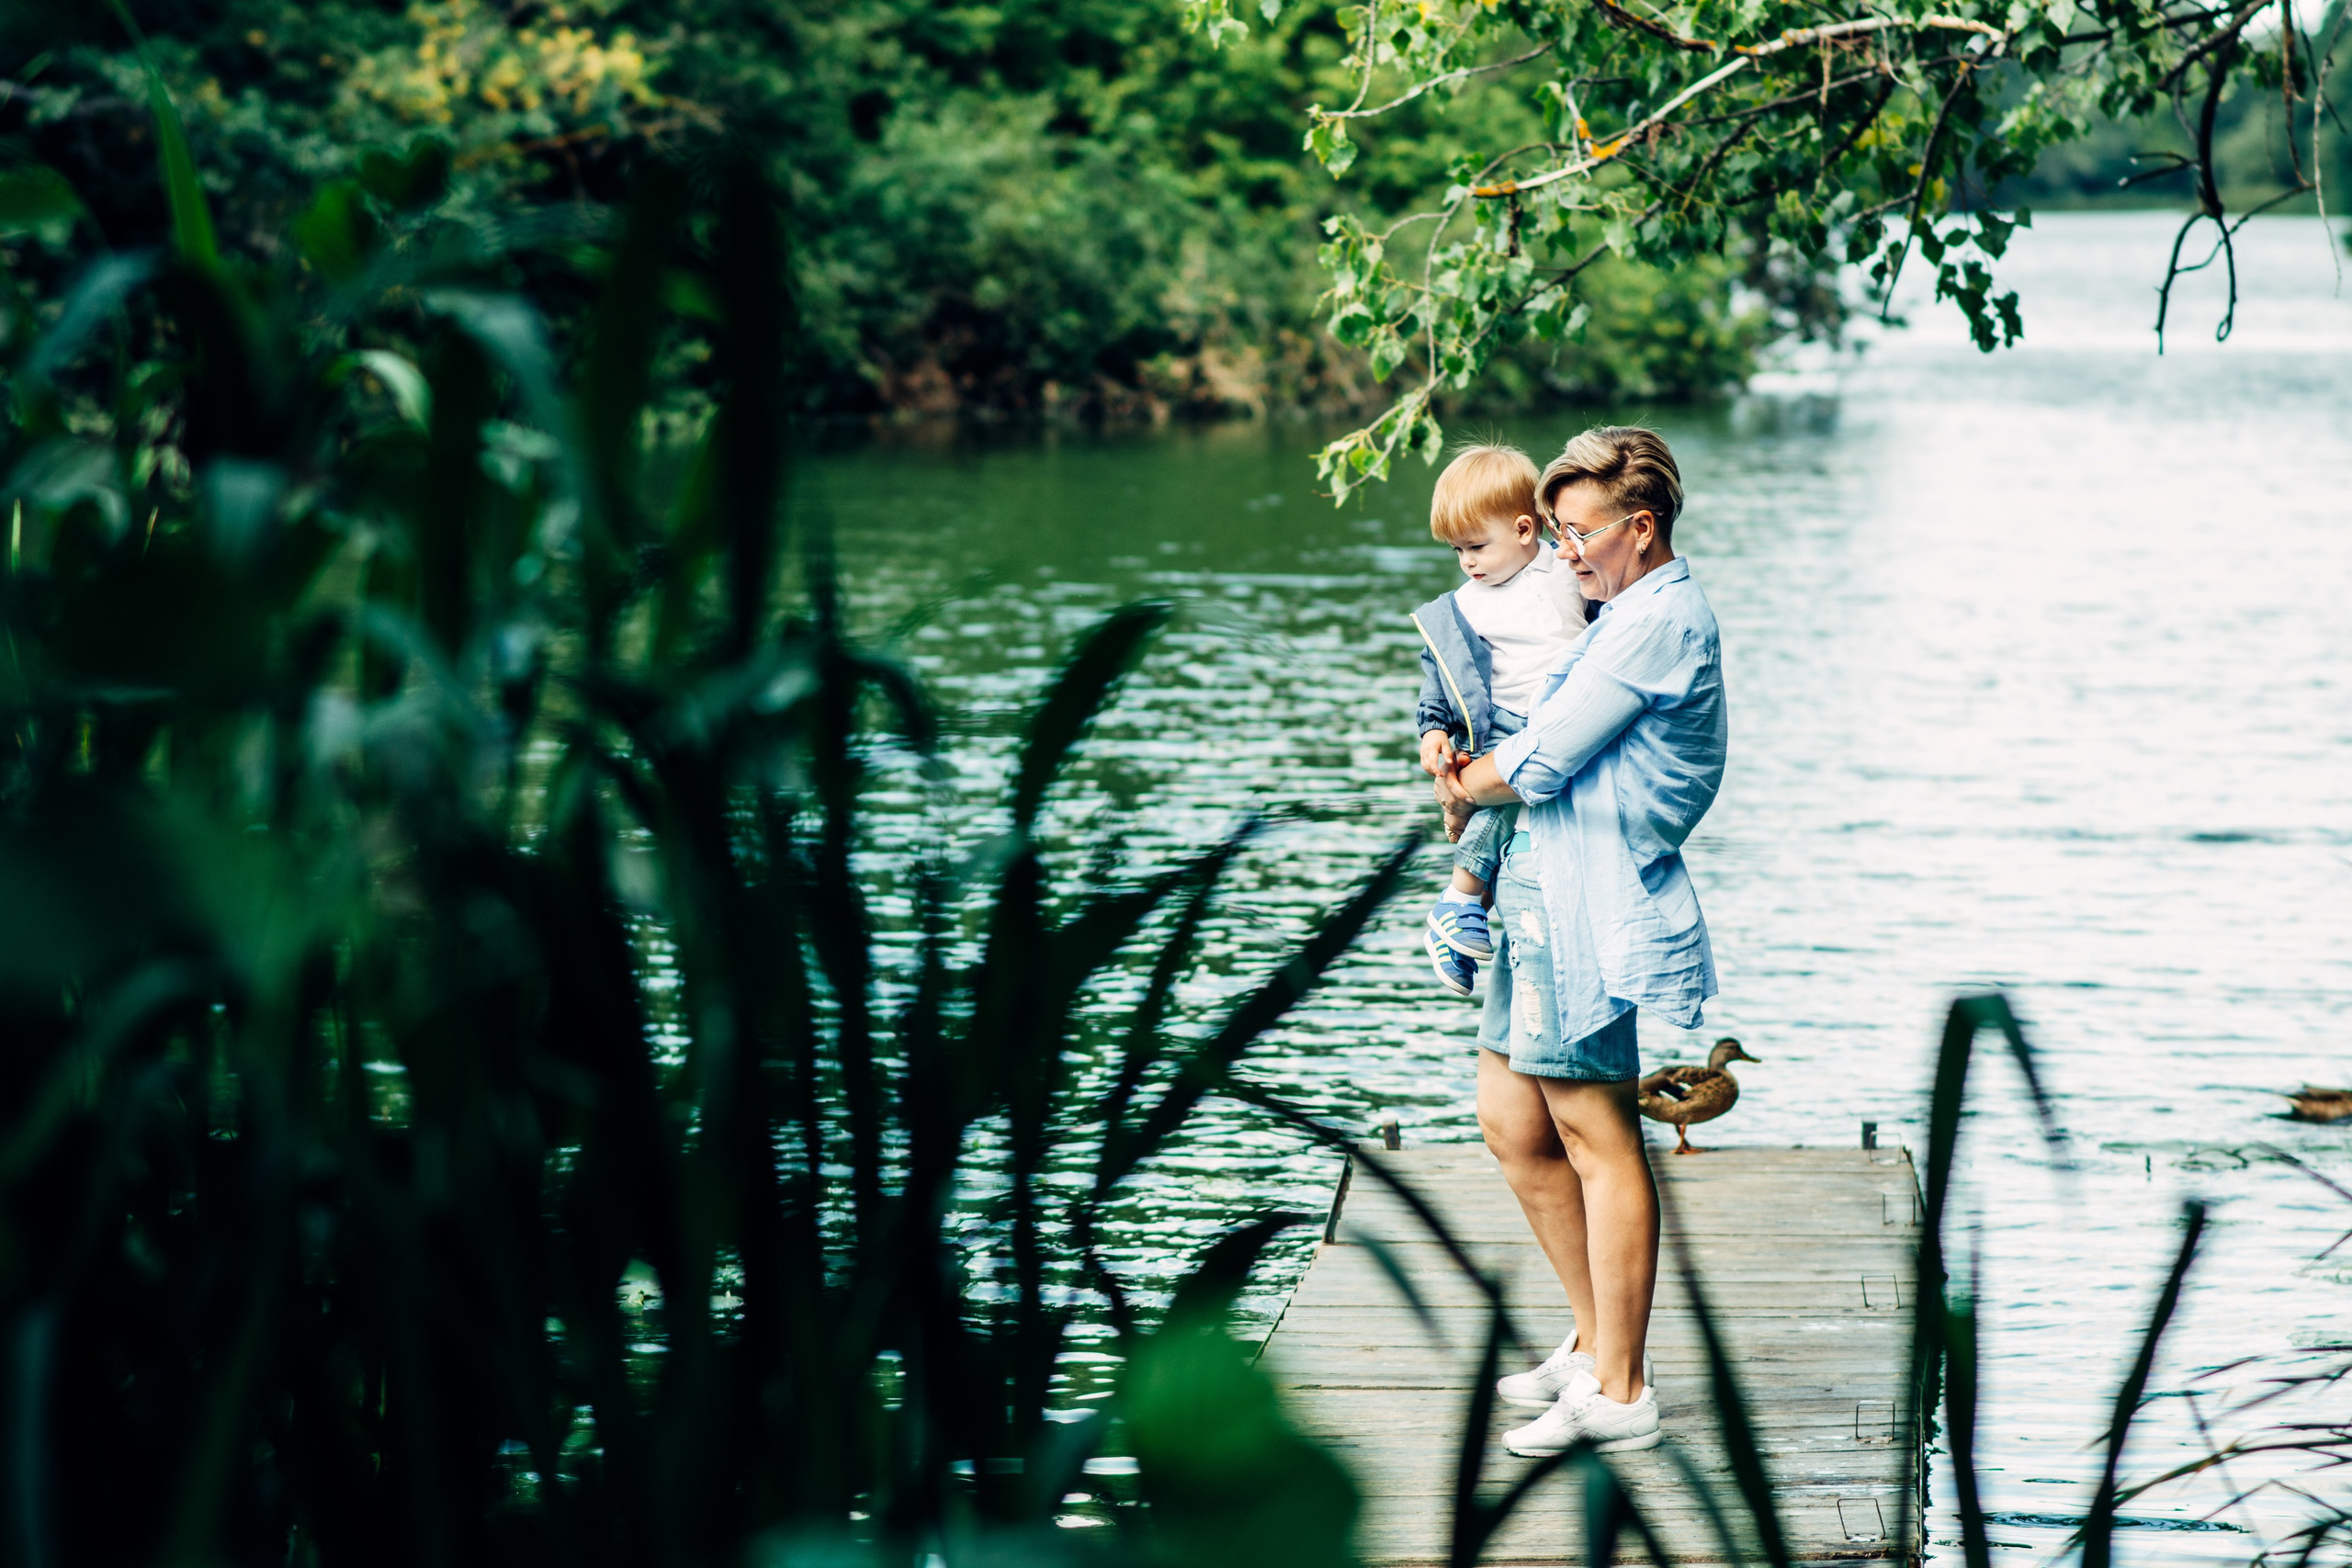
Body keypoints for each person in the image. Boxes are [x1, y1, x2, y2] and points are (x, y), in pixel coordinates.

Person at [1430, 426, 1727, 1457]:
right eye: (1554, 533)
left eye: (1576, 533)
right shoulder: (1614, 612)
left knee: (1598, 1139)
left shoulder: (1657, 623)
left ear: (1639, 530)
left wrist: (1460, 783)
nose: (1563, 553)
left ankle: (1623, 1387)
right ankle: (1595, 1339)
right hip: (1536, 894)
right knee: (1512, 1122)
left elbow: (1541, 761)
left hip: (1588, 910)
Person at [1408, 444, 1597, 998]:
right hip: (1507, 724)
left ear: (1523, 529)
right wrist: (1433, 729)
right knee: (1507, 799)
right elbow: (1438, 670)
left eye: (1476, 546)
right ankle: (1460, 901)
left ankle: (1464, 913)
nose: (1467, 561)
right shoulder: (1465, 606)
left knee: (1519, 826)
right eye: (1457, 550)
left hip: (1564, 716)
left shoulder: (1565, 566)